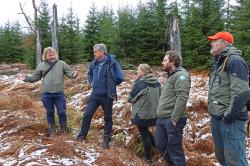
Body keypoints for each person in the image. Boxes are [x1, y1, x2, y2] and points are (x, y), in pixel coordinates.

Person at [207, 31, 249, 165]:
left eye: (215, 41)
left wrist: (228, 116)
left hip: (231, 120)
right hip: (217, 117)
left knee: (235, 160)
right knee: (222, 156)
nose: (211, 43)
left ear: (225, 43)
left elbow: (242, 93)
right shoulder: (219, 61)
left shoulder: (234, 60)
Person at [17, 47, 78, 137]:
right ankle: (51, 130)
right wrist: (25, 78)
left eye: (52, 52)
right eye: (48, 52)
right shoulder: (41, 65)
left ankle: (63, 130)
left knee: (62, 112)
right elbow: (35, 78)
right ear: (45, 55)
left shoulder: (62, 63)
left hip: (59, 94)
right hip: (46, 94)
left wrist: (74, 75)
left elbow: (70, 73)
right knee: (49, 112)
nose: (50, 54)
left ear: (55, 54)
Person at [76, 43, 124, 149]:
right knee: (87, 114)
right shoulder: (94, 63)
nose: (94, 54)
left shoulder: (112, 63)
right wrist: (91, 81)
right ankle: (82, 136)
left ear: (102, 52)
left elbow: (120, 77)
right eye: (94, 52)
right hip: (95, 94)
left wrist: (111, 83)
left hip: (107, 95)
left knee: (108, 118)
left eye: (95, 52)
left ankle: (106, 140)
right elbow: (89, 74)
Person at [155, 51, 191, 165]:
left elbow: (182, 97)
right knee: (161, 146)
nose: (162, 62)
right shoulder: (171, 76)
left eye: (165, 60)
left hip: (172, 118)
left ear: (173, 61)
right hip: (162, 118)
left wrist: (174, 118)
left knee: (175, 150)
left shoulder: (181, 75)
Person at [128, 64, 161, 163]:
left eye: (138, 70)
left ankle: (148, 158)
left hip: (142, 114)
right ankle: (157, 148)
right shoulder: (157, 82)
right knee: (146, 131)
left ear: (143, 72)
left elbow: (131, 98)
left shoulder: (141, 83)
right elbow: (162, 95)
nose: (136, 71)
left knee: (144, 133)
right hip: (154, 114)